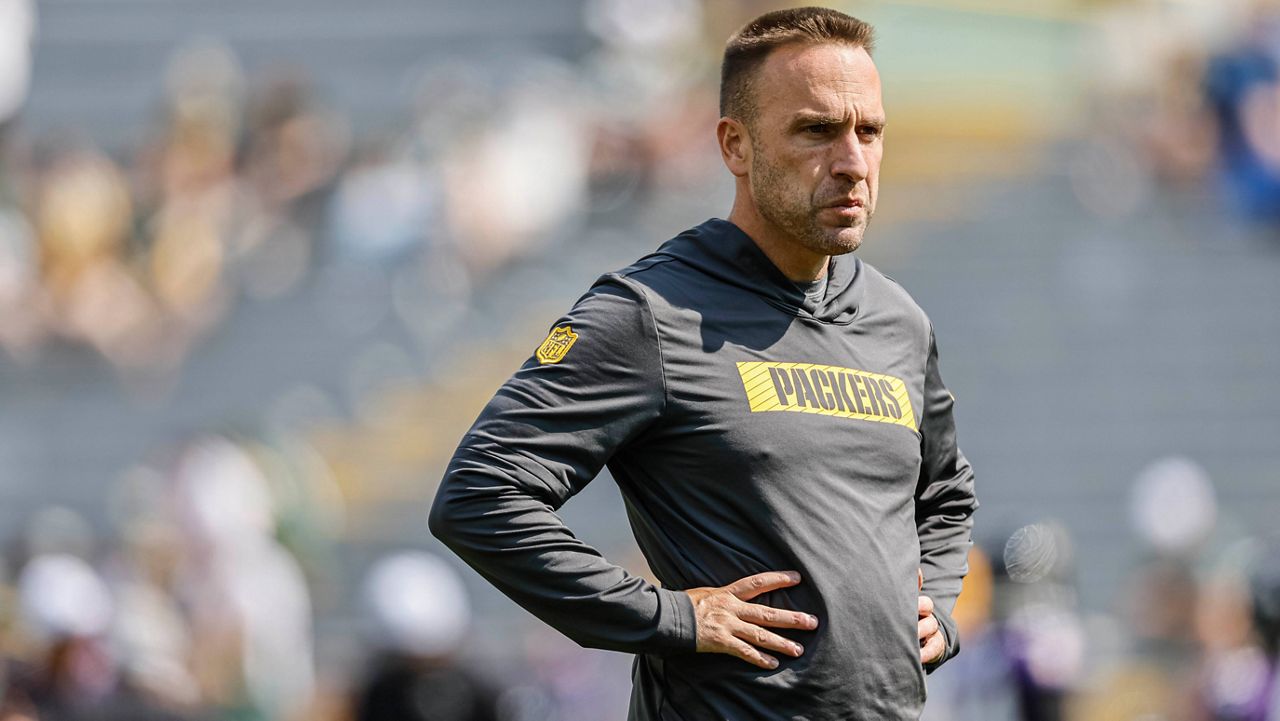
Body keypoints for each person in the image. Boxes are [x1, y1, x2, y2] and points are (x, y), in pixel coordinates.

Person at [429, 7, 978, 719]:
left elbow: (944, 490)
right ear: (736, 145)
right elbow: (481, 495)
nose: (852, 161)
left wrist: (934, 601)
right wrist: (671, 618)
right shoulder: (649, 312)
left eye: (868, 131)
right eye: (816, 130)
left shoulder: (898, 320)